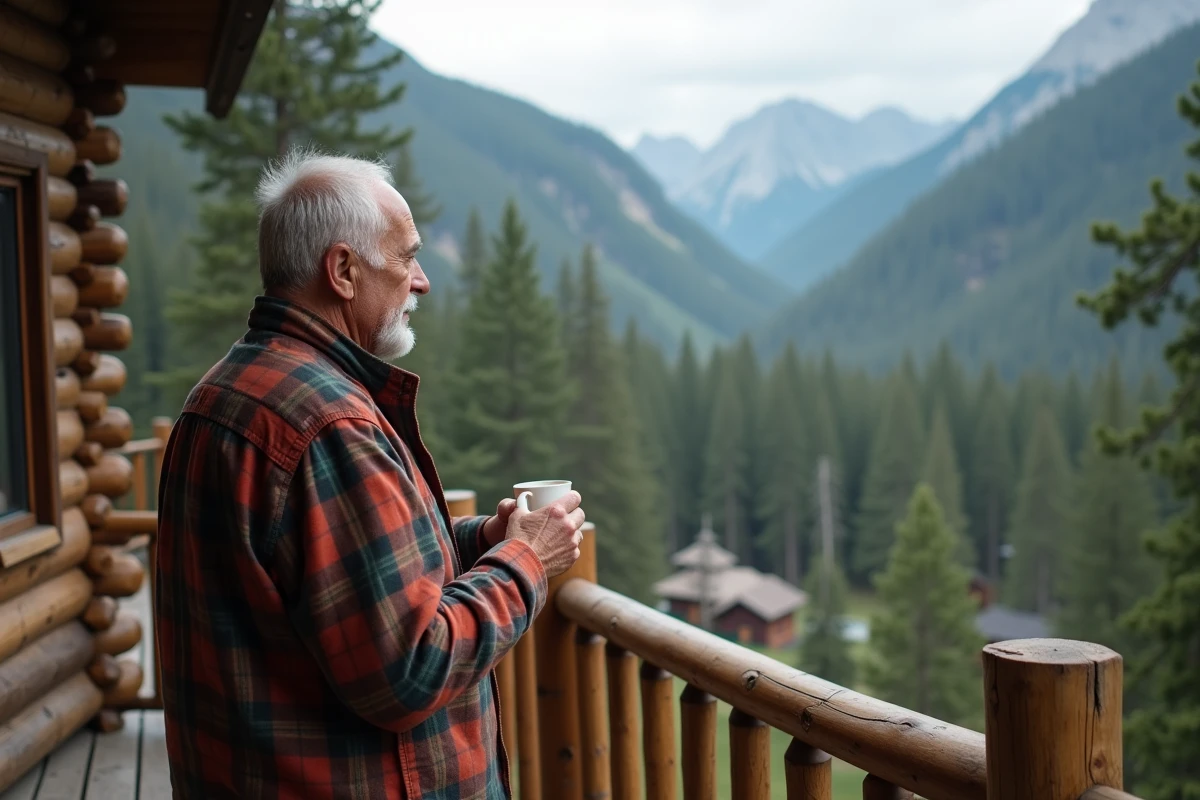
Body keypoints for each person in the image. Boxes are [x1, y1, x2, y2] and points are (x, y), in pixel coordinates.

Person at [154, 149, 585, 799]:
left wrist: (475, 543)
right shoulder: (328, 424)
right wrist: (526, 560)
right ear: (344, 270)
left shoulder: (223, 393)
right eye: (408, 256)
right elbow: (408, 670)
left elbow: (325, 573)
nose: (422, 281)